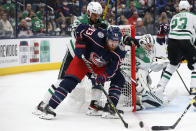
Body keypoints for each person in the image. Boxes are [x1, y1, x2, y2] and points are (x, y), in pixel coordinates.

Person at [33, 1, 109, 117]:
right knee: (61, 82)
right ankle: (43, 104)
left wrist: (105, 30)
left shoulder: (101, 23)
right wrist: (94, 30)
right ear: (88, 12)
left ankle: (94, 105)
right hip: (74, 54)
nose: (96, 17)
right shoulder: (79, 20)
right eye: (94, 15)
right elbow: (75, 34)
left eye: (98, 15)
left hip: (90, 57)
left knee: (96, 78)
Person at [38, 24, 126, 120]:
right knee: (69, 82)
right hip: (83, 61)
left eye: (116, 42)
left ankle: (109, 108)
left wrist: (104, 76)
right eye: (111, 41)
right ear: (107, 38)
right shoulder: (97, 36)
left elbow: (113, 68)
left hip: (100, 66)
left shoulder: (119, 52)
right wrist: (80, 43)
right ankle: (49, 107)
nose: (113, 44)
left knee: (119, 78)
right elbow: (80, 28)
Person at [153, 0, 196, 99]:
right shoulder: (193, 16)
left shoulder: (174, 17)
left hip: (172, 42)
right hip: (185, 41)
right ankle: (194, 89)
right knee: (195, 65)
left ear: (179, 9)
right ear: (189, 8)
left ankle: (159, 89)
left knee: (172, 66)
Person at [125, 34, 169, 110]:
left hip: (133, 77)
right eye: (149, 45)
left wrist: (164, 63)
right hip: (127, 77)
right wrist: (161, 61)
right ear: (143, 43)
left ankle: (140, 96)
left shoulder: (147, 52)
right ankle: (138, 98)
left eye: (152, 46)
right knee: (142, 73)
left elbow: (151, 66)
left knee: (148, 79)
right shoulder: (135, 48)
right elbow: (147, 64)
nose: (151, 48)